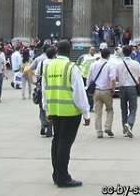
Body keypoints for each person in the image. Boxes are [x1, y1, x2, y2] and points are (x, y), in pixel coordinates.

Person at [43, 40, 90, 188]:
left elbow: (44, 89)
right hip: (70, 112)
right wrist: (86, 113)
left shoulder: (48, 66)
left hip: (54, 110)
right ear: (69, 51)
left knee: (56, 141)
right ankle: (63, 177)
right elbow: (79, 93)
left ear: (57, 50)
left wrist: (46, 109)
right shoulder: (71, 67)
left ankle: (56, 174)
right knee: (65, 144)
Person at [87, 47, 116, 138]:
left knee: (98, 112)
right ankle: (107, 127)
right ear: (108, 56)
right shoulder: (110, 65)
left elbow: (89, 78)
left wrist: (89, 89)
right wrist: (113, 89)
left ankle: (99, 131)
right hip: (106, 90)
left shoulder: (94, 64)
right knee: (109, 110)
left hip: (96, 91)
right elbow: (113, 79)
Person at [115, 45, 140, 138]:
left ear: (123, 52)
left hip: (122, 88)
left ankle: (124, 128)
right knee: (133, 108)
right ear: (131, 52)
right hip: (132, 87)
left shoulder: (119, 64)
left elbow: (116, 78)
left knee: (123, 108)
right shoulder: (136, 63)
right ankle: (129, 124)